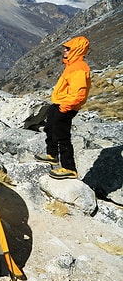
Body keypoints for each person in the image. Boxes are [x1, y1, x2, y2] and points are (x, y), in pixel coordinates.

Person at [34, 36, 91, 179]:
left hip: (66, 106)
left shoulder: (78, 68)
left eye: (67, 48)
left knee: (62, 136)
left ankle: (69, 168)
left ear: (76, 50)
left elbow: (79, 93)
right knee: (50, 128)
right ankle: (52, 155)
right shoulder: (71, 66)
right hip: (59, 104)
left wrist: (64, 108)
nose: (64, 50)